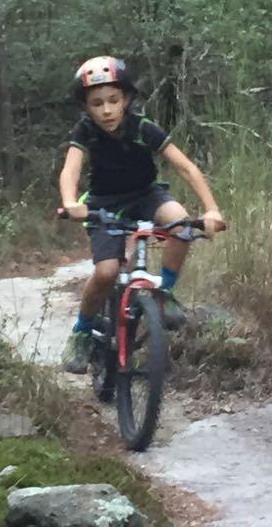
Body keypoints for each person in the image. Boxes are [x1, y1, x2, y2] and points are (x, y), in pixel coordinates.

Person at [59, 55, 226, 374]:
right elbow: (71, 170)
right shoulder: (85, 131)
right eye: (97, 103)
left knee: (180, 222)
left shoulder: (142, 127)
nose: (106, 110)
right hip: (104, 203)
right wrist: (70, 202)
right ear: (86, 108)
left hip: (147, 195)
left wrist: (212, 210)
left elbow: (186, 168)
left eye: (113, 100)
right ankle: (82, 331)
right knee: (107, 272)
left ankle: (163, 294)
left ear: (127, 100)